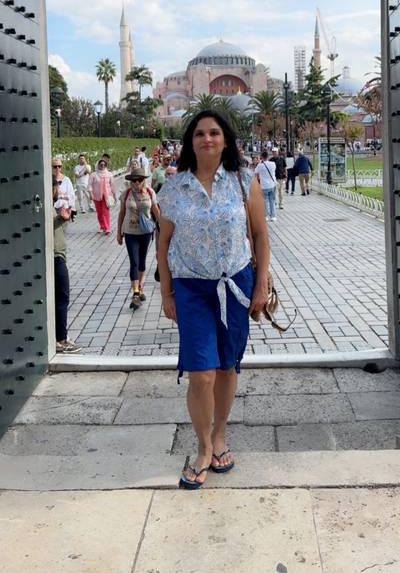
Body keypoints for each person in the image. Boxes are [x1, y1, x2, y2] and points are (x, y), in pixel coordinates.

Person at [157, 110, 269, 490]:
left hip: (236, 283)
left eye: (214, 133)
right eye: (200, 133)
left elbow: (260, 235)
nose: (207, 139)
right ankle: (204, 448)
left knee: (226, 367)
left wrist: (261, 285)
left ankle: (220, 434)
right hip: (192, 289)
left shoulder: (242, 180)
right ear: (191, 141)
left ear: (225, 140)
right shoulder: (174, 188)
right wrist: (166, 291)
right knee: (201, 372)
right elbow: (163, 243)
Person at [117, 167, 160, 309]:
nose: (137, 183)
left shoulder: (150, 192)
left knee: (142, 261)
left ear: (144, 180)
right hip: (130, 232)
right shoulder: (126, 194)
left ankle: (140, 287)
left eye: (140, 180)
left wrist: (163, 228)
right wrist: (119, 232)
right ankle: (135, 292)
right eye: (134, 181)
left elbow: (156, 211)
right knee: (134, 262)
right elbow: (121, 213)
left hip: (146, 232)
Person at [52, 177, 81, 353]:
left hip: (59, 255)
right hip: (55, 257)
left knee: (60, 298)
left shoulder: (52, 205)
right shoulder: (46, 206)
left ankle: (59, 336)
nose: (57, 190)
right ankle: (61, 339)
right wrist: (60, 219)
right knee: (62, 298)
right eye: (55, 187)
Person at [87, 158, 116, 232]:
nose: (102, 166)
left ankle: (107, 227)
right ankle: (102, 226)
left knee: (105, 212)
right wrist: (90, 194)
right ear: (98, 165)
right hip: (96, 196)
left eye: (104, 164)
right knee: (99, 212)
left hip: (106, 196)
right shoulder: (93, 175)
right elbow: (89, 185)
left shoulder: (109, 174)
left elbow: (112, 185)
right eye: (101, 164)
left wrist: (114, 195)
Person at [254, 149, 277, 222]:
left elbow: (255, 172)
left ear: (261, 157)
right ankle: (273, 216)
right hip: (272, 184)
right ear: (268, 156)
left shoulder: (260, 165)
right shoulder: (273, 164)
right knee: (272, 201)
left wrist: (260, 162)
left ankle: (266, 216)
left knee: (265, 201)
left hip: (264, 185)